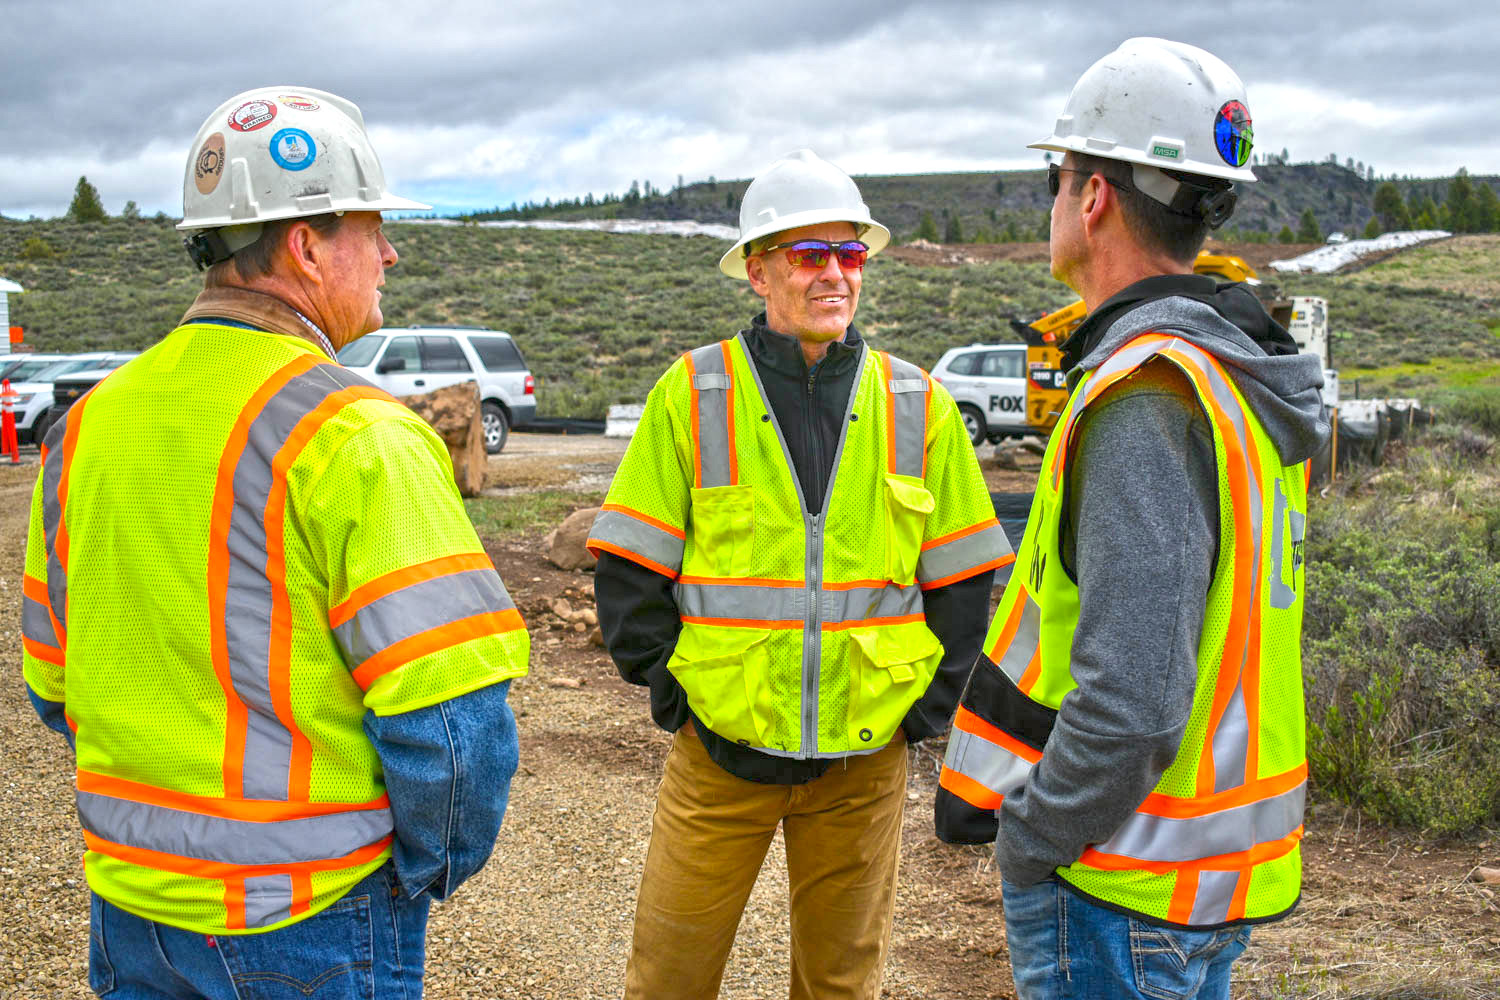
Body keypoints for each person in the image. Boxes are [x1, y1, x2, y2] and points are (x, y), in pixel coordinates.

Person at [20, 86, 529, 997]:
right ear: (304, 244)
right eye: (373, 230)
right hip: (306, 918)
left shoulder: (85, 427)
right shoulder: (354, 432)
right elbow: (454, 732)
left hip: (132, 911)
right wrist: (417, 875)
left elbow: (53, 683)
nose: (390, 253)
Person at [934, 38, 1330, 999]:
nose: (1056, 201)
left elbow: (1137, 699)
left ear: (1096, 196)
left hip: (1117, 889)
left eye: (1060, 177)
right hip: (1191, 885)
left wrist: (1034, 838)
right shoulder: (1230, 380)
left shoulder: (1148, 397)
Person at [587, 148, 1009, 1000]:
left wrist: (918, 715)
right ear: (758, 270)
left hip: (863, 764)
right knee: (668, 979)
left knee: (841, 987)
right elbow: (628, 568)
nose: (835, 276)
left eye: (849, 254)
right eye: (809, 255)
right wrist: (680, 697)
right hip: (721, 758)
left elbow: (965, 580)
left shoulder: (916, 401)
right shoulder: (693, 391)